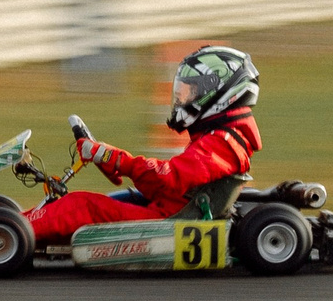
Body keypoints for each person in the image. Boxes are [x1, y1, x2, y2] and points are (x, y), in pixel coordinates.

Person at [24, 44, 261, 246]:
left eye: (192, 92)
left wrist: (116, 159)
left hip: (172, 219)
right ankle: (14, 222)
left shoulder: (223, 143)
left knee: (84, 205)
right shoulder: (218, 136)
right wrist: (112, 161)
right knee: (113, 199)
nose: (182, 100)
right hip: (172, 206)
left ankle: (13, 229)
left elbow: (170, 177)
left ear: (218, 93)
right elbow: (169, 186)